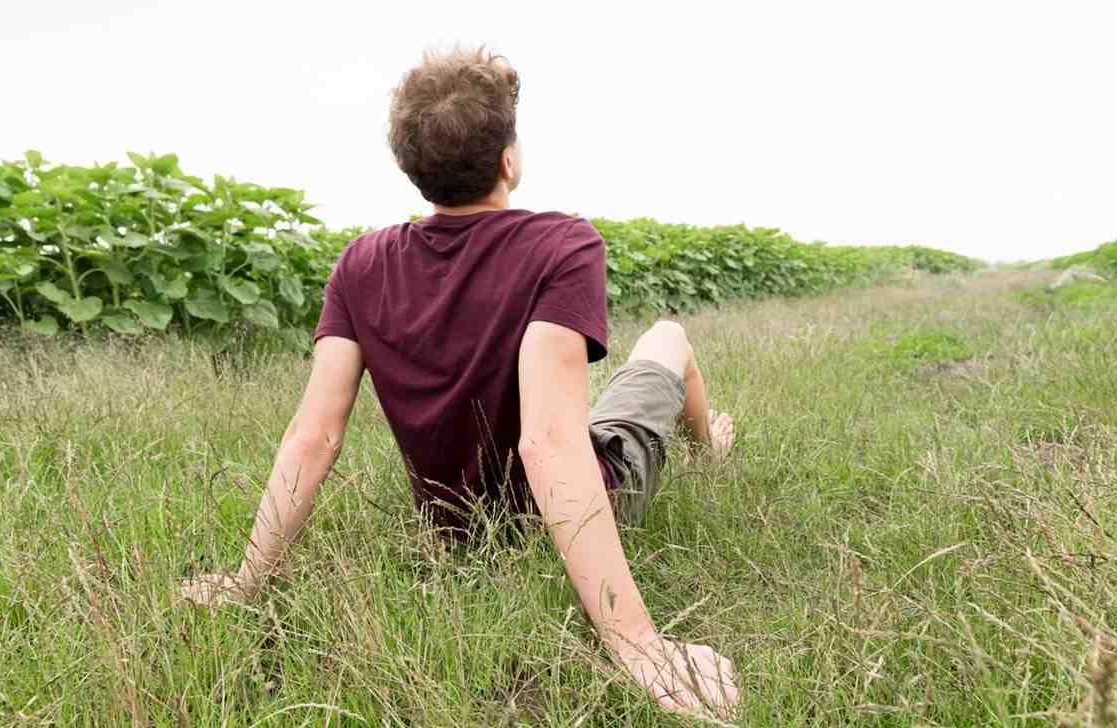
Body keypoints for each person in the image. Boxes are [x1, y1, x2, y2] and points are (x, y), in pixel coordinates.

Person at [182, 47, 740, 718]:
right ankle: (712, 445)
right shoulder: (563, 245)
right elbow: (551, 442)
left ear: (411, 168)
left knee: (594, 409)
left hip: (460, 533)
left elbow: (313, 434)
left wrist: (247, 581)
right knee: (668, 339)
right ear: (509, 160)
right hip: (589, 498)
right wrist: (639, 644)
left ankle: (711, 443)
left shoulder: (360, 262)